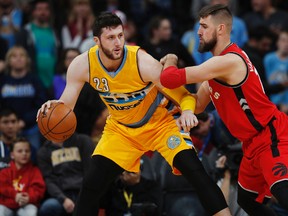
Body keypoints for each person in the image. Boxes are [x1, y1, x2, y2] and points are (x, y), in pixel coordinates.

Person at [37, 12, 231, 216]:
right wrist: (55, 106)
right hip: (121, 130)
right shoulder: (81, 65)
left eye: (120, 36)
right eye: (111, 38)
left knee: (195, 173)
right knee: (91, 186)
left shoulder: (142, 62)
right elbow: (67, 105)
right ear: (96, 41)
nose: (118, 42)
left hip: (160, 124)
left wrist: (188, 111)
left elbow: (184, 95)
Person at [160, 4, 288, 215]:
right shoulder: (215, 69)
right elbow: (197, 103)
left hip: (270, 135)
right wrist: (182, 110)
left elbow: (169, 78)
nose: (198, 32)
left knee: (283, 192)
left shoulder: (228, 61)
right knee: (247, 200)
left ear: (220, 29)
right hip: (251, 143)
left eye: (203, 26)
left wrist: (172, 58)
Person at [37, 132, 95, 216]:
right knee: (48, 207)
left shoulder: (83, 140)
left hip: (85, 192)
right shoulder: (44, 151)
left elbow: (90, 170)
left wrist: (84, 196)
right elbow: (49, 180)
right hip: (63, 196)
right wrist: (63, 199)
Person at [0, 137, 46, 216]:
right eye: (20, 151)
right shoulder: (5, 171)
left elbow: (38, 189)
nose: (24, 153)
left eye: (27, 151)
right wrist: (15, 195)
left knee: (31, 212)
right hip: (7, 204)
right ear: (12, 155)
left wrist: (28, 197)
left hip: (27, 203)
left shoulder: (35, 171)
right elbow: (2, 187)